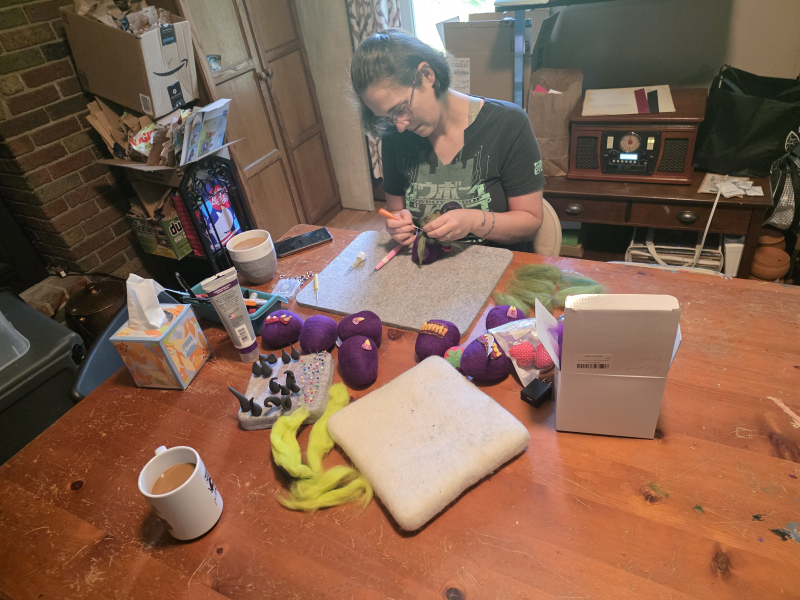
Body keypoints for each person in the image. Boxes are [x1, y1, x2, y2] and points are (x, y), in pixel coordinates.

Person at [350, 28, 545, 253]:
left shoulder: (508, 123)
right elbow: (395, 210)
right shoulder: (394, 135)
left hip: (498, 266)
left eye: (401, 109)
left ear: (426, 75)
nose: (400, 126)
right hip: (428, 267)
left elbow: (530, 223)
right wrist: (397, 224)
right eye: (388, 118)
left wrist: (474, 221)